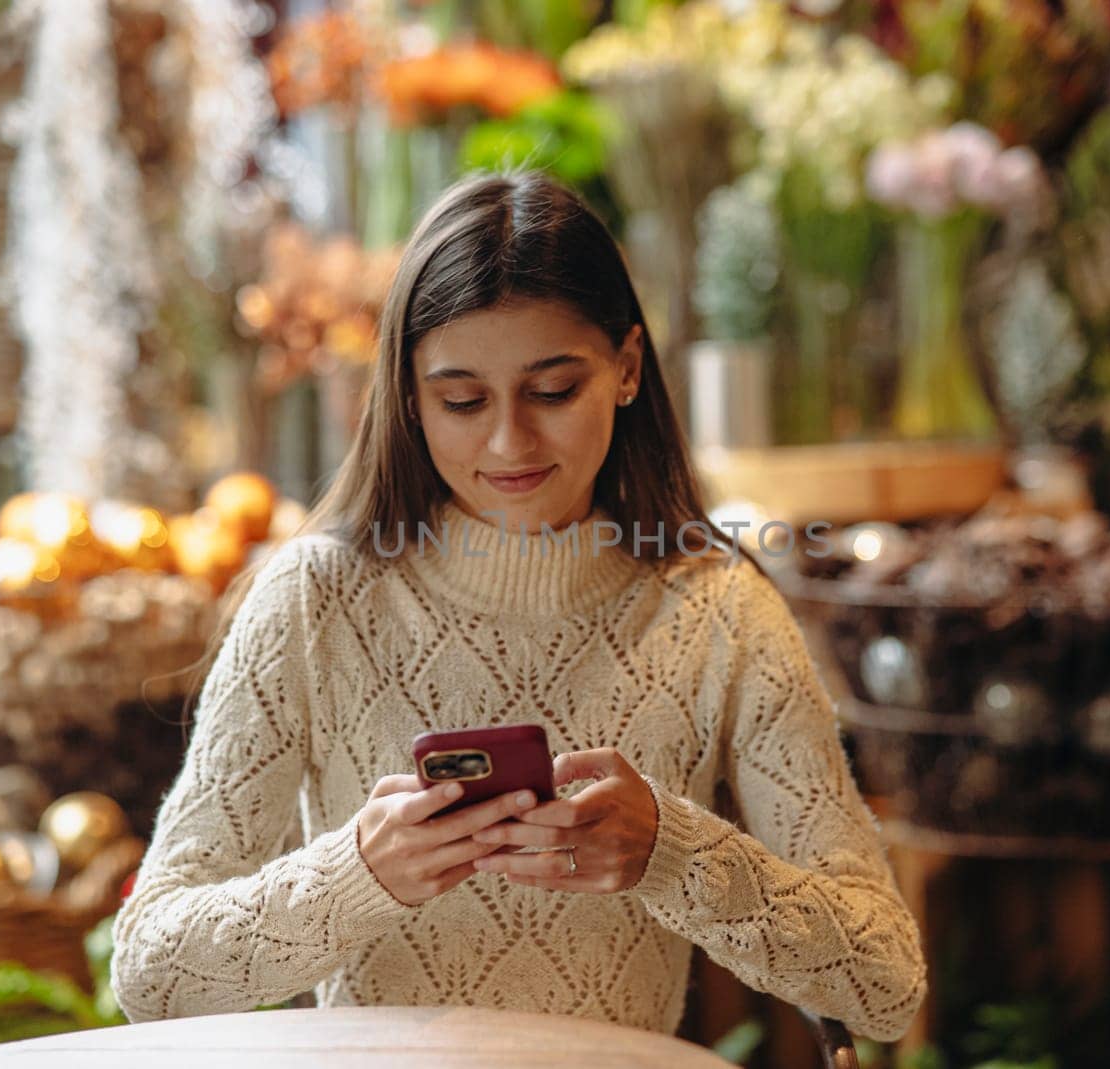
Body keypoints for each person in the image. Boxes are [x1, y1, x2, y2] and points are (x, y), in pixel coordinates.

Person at [109, 171, 928, 1042]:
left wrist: (671, 852)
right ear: (410, 400)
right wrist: (358, 873)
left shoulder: (720, 609)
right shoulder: (316, 599)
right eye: (462, 400)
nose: (509, 441)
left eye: (552, 390)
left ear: (627, 369)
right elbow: (154, 974)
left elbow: (886, 984)